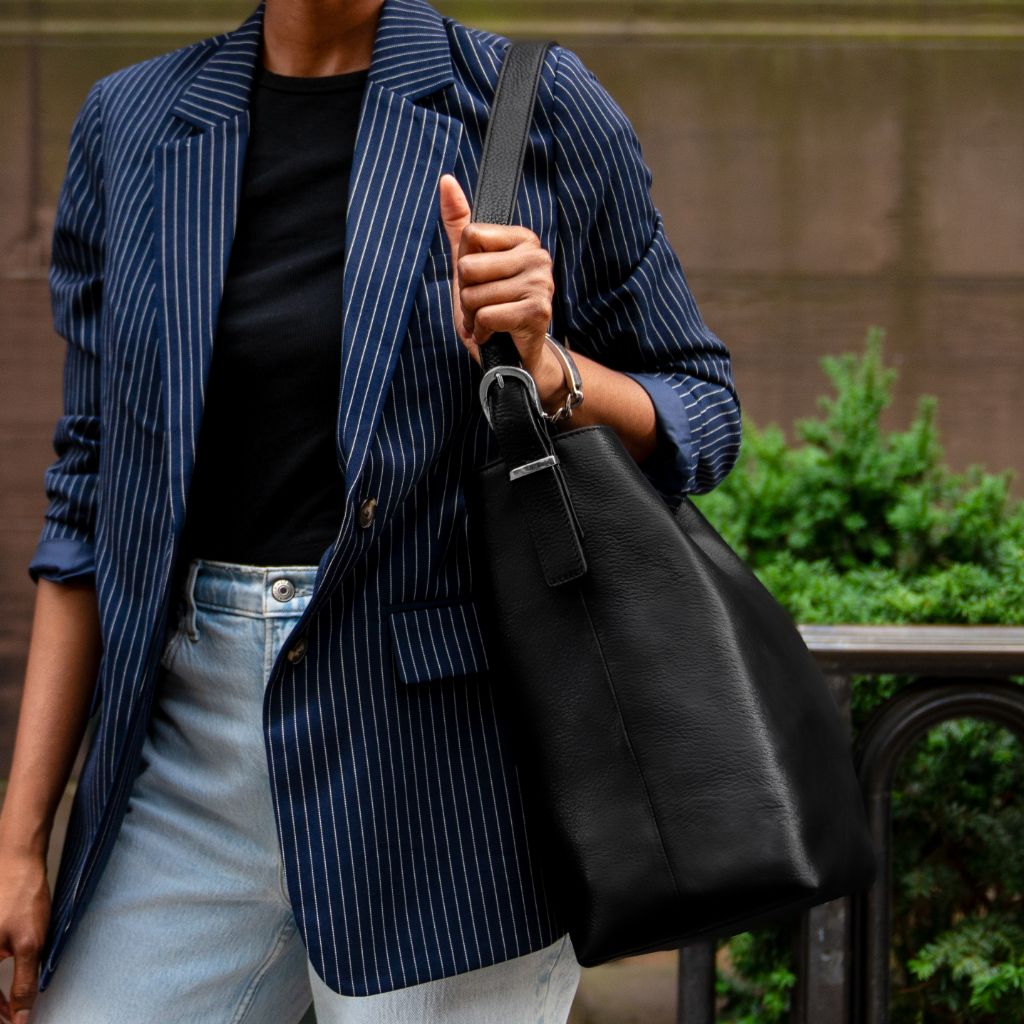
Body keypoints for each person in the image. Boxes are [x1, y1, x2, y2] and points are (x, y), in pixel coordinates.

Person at [0, 0, 743, 1020]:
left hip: (449, 779)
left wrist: (547, 366)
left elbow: (702, 410)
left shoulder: (532, 105)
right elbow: (88, 494)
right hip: (188, 753)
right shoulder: (130, 123)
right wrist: (20, 837)